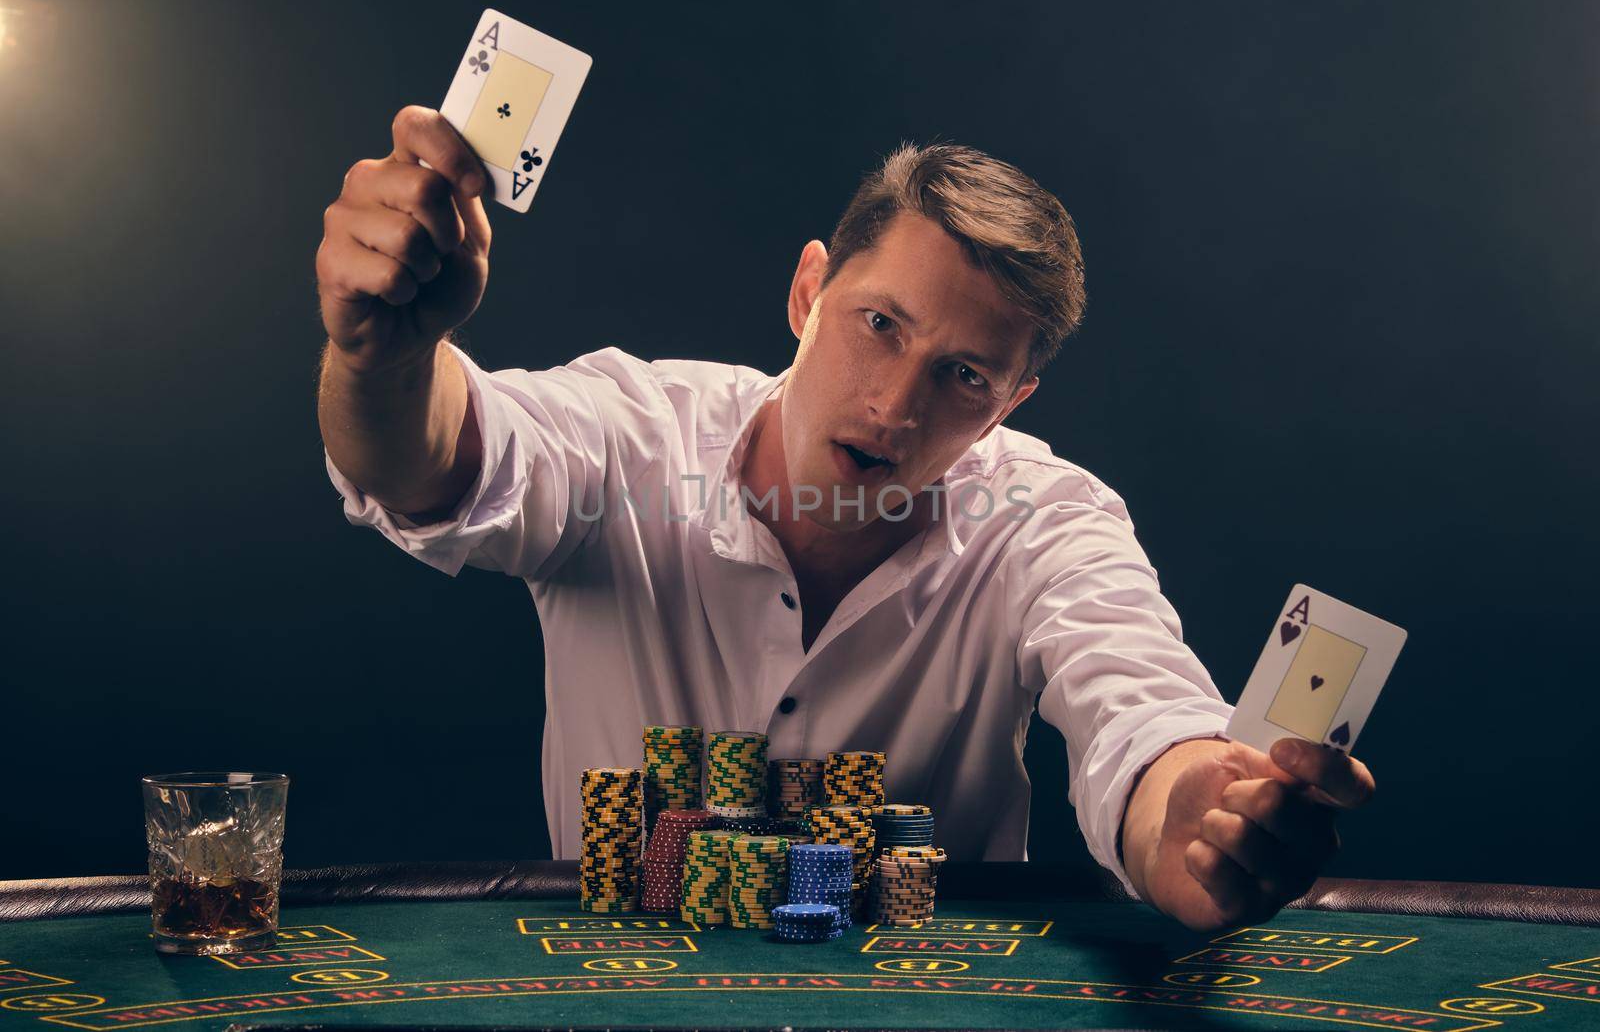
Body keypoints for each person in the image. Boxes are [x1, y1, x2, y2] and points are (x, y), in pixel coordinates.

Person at [314, 106, 1376, 932]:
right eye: (878, 324)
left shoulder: (1048, 518)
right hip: (619, 994)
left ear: (1011, 404)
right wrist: (387, 356)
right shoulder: (629, 431)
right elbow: (436, 465)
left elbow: (1138, 713)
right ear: (807, 290)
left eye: (961, 375)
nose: (894, 405)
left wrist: (1197, 820)